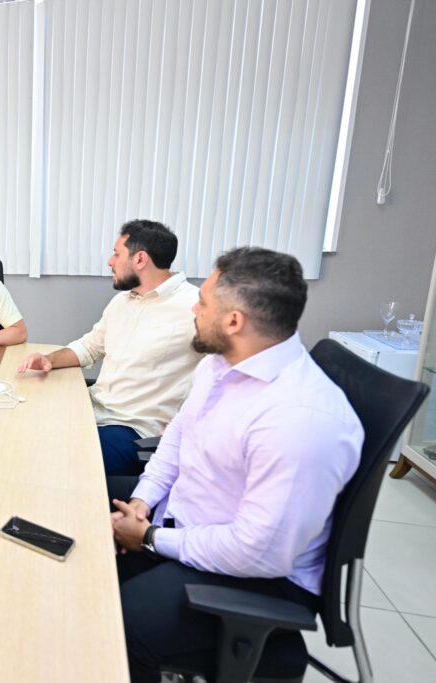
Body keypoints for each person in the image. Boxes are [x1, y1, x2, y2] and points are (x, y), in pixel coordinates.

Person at [107, 247, 364, 682]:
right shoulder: (222, 362)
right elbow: (179, 436)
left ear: (233, 321)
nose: (193, 309)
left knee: (111, 626)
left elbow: (257, 552)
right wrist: (142, 501)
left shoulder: (299, 419)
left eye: (203, 302)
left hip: (253, 577)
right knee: (75, 510)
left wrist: (147, 537)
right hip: (188, 522)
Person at [17, 220, 201, 474]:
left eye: (116, 254)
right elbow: (89, 347)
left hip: (134, 431)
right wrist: (50, 359)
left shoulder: (196, 307)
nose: (110, 262)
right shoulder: (122, 302)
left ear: (140, 259)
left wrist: (190, 428)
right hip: (93, 408)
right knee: (19, 427)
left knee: (48, 461)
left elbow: (227, 377)